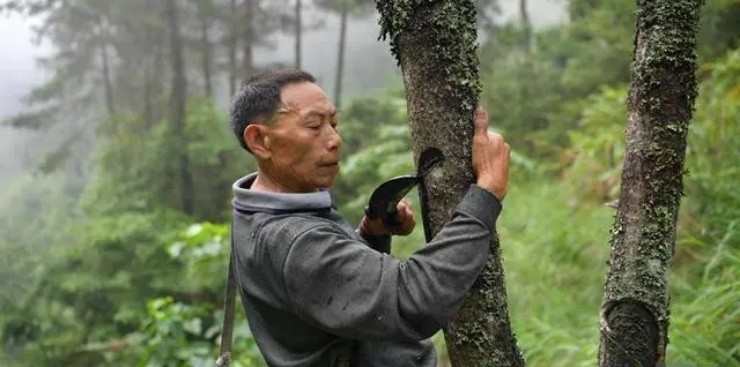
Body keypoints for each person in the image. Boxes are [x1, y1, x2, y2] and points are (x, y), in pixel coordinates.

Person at [229, 69, 510, 367]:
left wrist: (370, 236)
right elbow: (411, 300)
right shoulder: (293, 242)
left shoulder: (254, 206)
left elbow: (325, 296)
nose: (335, 139)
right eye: (314, 126)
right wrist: (485, 195)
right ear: (260, 140)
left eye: (334, 124)